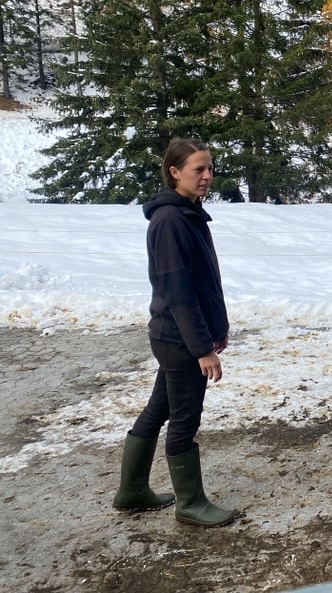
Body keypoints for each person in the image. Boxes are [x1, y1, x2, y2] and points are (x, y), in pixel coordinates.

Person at [112, 137, 235, 527]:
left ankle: (132, 492)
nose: (207, 176)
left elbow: (202, 284)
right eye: (198, 169)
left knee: (159, 409)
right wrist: (202, 348)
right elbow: (179, 293)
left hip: (177, 337)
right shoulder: (170, 222)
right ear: (174, 172)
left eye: (210, 168)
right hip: (178, 340)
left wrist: (218, 328)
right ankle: (190, 504)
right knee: (185, 419)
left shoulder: (188, 214)